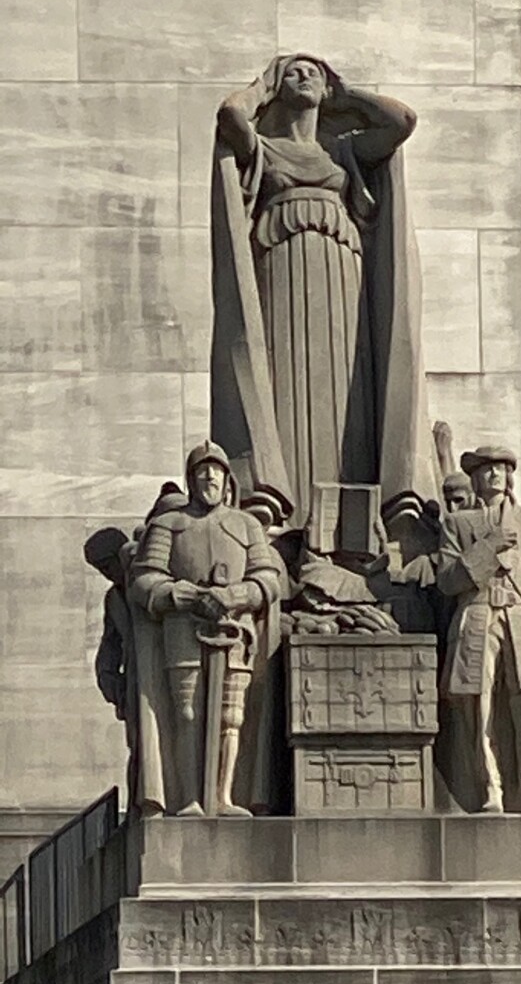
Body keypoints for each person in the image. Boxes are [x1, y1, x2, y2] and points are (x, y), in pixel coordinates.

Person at [211, 53, 434, 529]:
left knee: (347, 396)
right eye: (294, 72)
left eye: (313, 72)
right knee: (284, 381)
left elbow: (403, 122)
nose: (304, 76)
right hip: (281, 271)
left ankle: (352, 518)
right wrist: (262, 87)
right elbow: (231, 115)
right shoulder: (266, 150)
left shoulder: (344, 151)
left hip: (342, 279)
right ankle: (287, 515)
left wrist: (345, 93)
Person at [130, 441, 280, 817]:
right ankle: (190, 799)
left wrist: (235, 595)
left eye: (215, 471)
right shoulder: (168, 525)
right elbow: (144, 580)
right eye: (201, 471)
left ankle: (225, 797)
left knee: (232, 717)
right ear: (191, 479)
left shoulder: (247, 525)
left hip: (234, 629)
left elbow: (268, 580)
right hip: (183, 629)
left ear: (227, 479)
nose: (209, 477)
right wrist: (180, 595)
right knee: (187, 713)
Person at [437, 447, 521, 814]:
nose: (494, 475)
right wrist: (488, 548)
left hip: (520, 619)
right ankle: (489, 789)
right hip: (477, 616)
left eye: (500, 469)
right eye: (486, 470)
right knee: (478, 706)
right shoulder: (457, 524)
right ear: (475, 478)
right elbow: (447, 581)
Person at [83, 527, 137, 811]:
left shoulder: (147, 584)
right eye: (100, 569)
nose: (106, 574)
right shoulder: (114, 598)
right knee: (138, 751)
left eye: (107, 566)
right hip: (134, 684)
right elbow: (109, 645)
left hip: (164, 680)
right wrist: (108, 680)